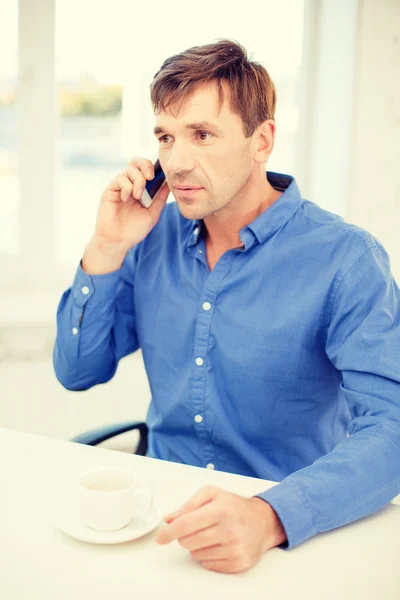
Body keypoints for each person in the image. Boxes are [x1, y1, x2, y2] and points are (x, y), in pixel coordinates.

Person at [53, 39, 400, 574]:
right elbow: (77, 372)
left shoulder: (346, 260)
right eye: (166, 137)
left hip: (287, 536)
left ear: (261, 141)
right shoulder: (149, 240)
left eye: (202, 134)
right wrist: (105, 249)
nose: (178, 160)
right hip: (161, 524)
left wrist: (269, 517)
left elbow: (392, 431)